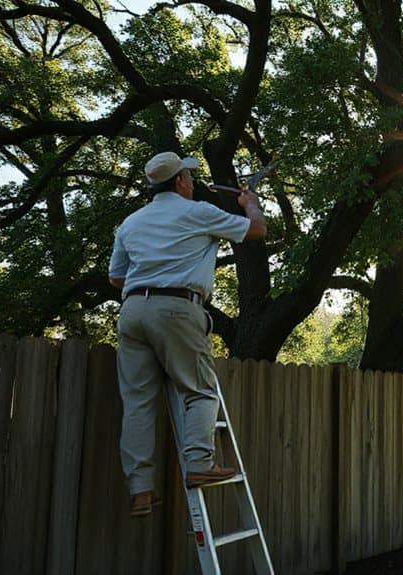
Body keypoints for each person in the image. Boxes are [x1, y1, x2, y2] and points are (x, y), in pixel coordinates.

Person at [108, 151, 267, 518]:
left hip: (132, 311)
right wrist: (251, 204)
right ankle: (199, 463)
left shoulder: (130, 223)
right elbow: (256, 231)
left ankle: (141, 490)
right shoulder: (197, 213)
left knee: (137, 402)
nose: (193, 182)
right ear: (179, 181)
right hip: (177, 308)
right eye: (189, 177)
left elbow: (116, 278)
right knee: (200, 389)